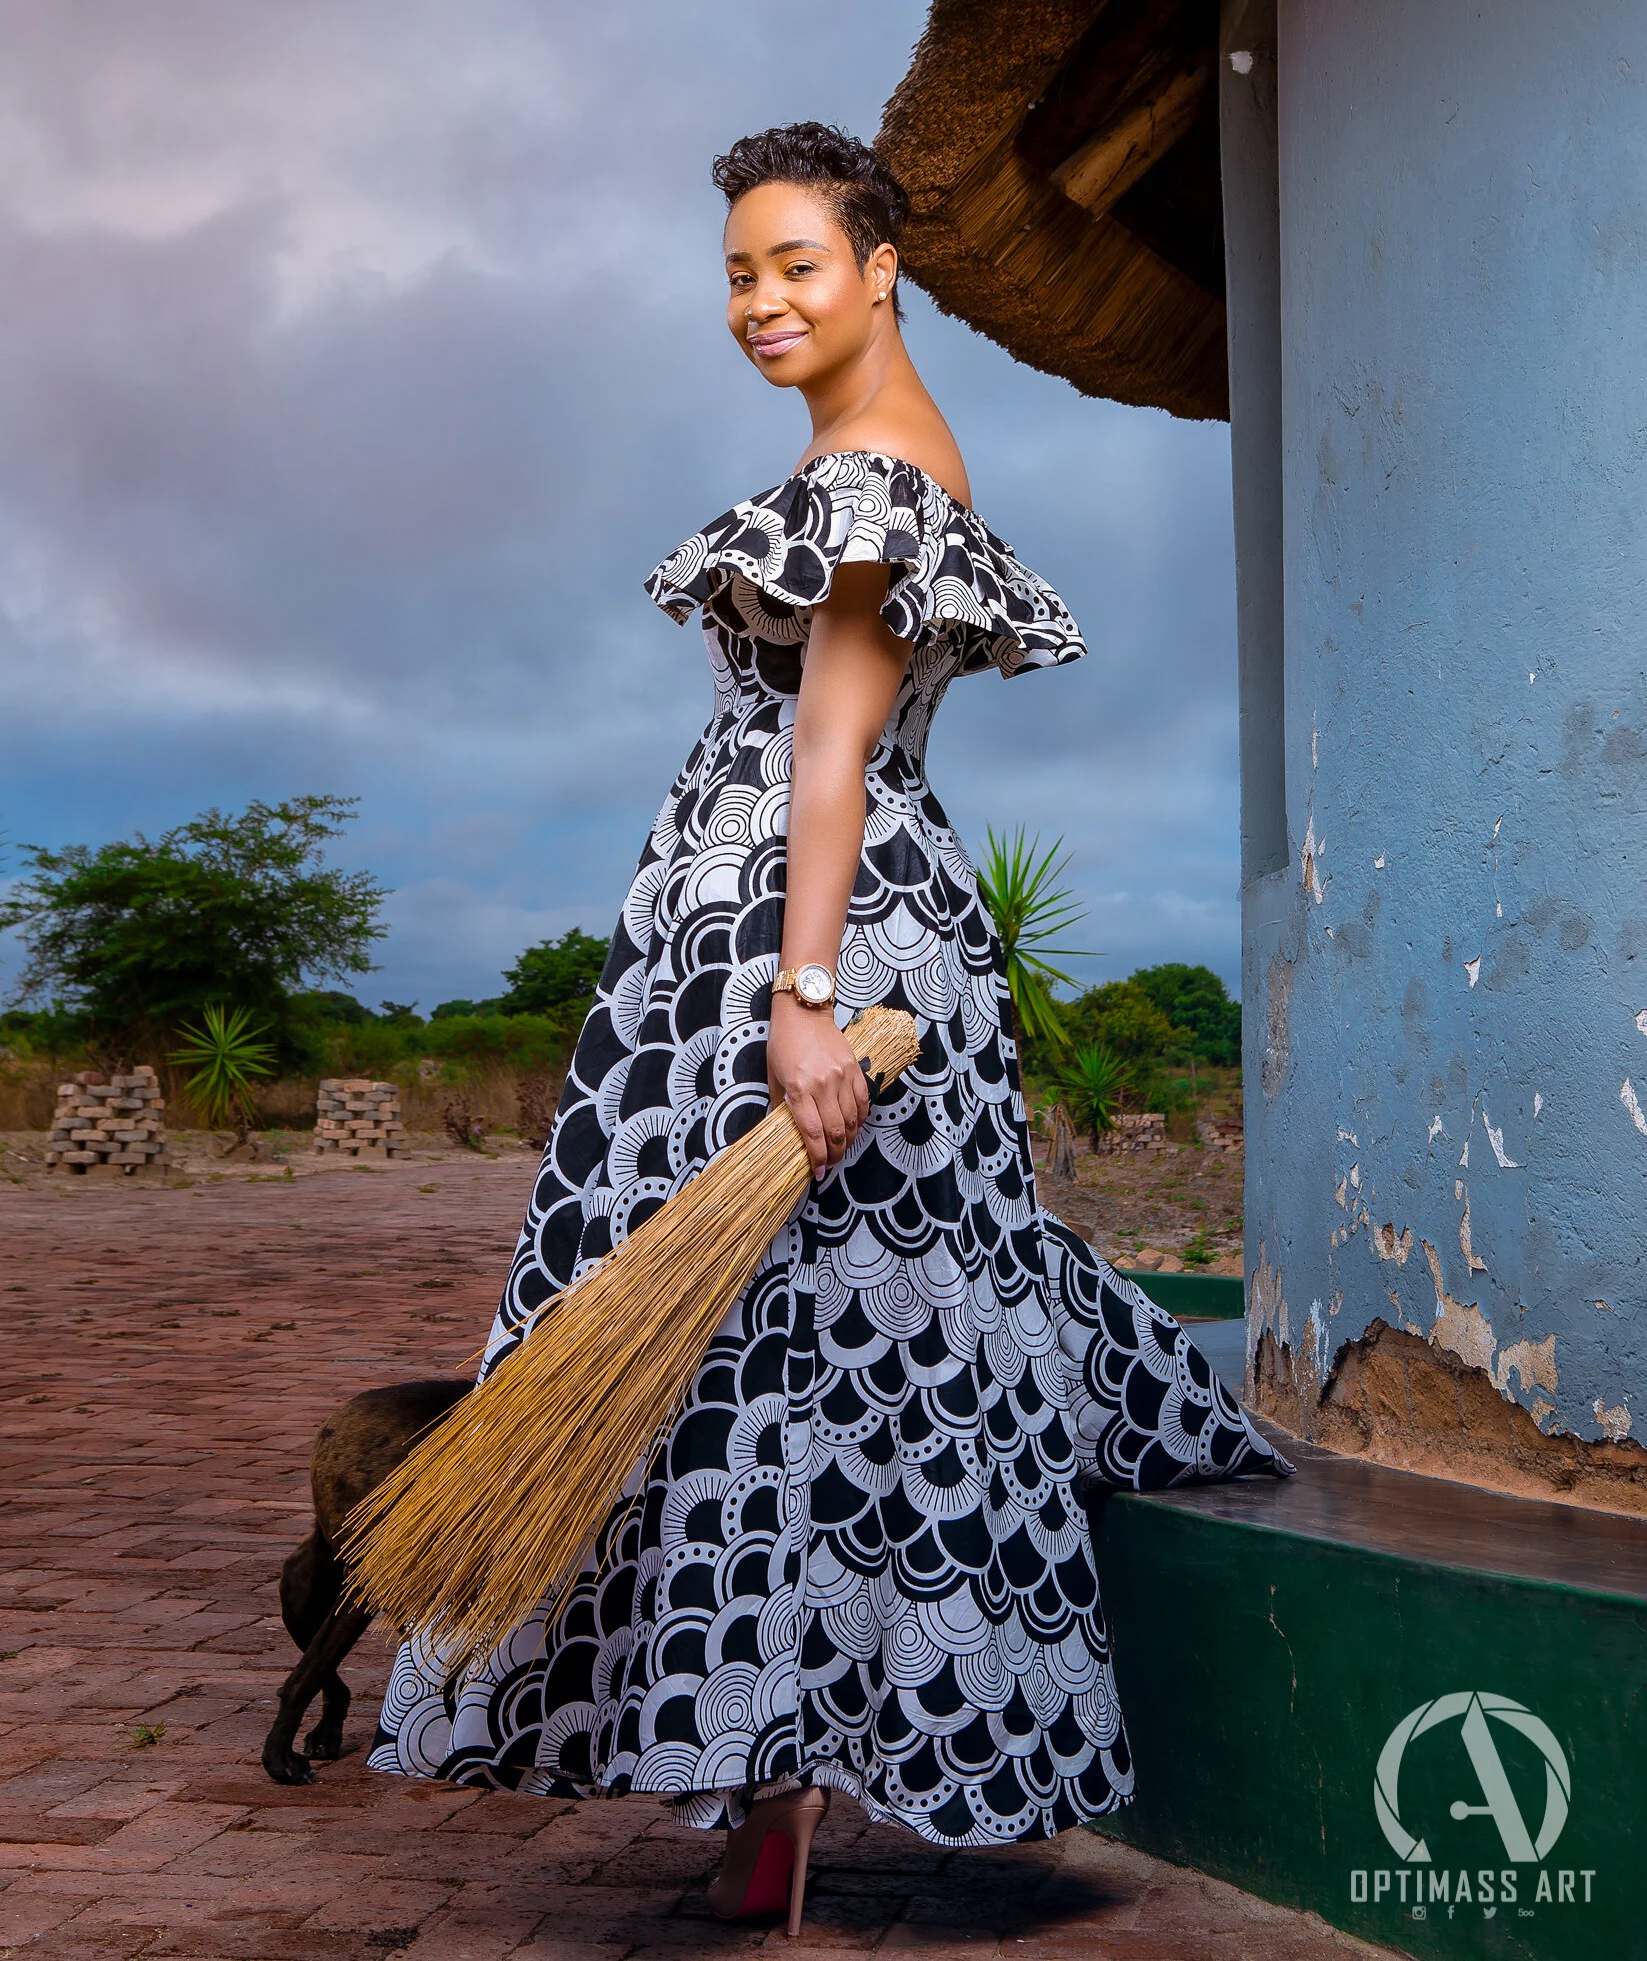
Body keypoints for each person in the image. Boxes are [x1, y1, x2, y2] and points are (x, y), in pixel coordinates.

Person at [369, 122, 1287, 1932]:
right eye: (737, 271)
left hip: (818, 952)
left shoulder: (869, 476)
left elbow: (831, 752)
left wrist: (796, 1003)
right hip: (829, 936)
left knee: (777, 1355)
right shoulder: (881, 456)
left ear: (882, 269)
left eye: (797, 262)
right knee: (797, 1353)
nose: (762, 300)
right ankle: (764, 1784)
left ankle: (766, 1772)